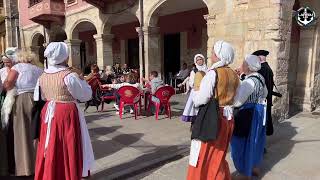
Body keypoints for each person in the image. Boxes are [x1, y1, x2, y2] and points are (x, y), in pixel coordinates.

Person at [34, 42, 94, 180]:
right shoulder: (69, 76)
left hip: (49, 112)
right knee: (67, 145)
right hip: (66, 112)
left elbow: (41, 96)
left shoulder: (42, 76)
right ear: (64, 56)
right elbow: (86, 95)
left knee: (51, 144)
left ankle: (51, 174)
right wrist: (82, 79)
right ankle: (68, 175)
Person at [187, 41, 240, 180]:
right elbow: (238, 99)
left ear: (219, 55)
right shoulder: (234, 74)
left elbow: (200, 100)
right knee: (219, 153)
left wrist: (196, 92)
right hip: (228, 118)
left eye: (213, 53)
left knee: (204, 153)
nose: (211, 55)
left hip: (212, 118)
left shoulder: (213, 73)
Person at [4, 50, 43, 176]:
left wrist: (7, 83)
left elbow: (8, 84)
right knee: (36, 133)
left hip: (22, 99)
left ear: (20, 58)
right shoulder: (38, 69)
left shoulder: (17, 67)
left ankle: (25, 168)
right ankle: (38, 164)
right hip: (37, 100)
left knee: (22, 133)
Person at [231, 55, 268, 180]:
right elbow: (265, 93)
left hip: (246, 113)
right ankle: (254, 167)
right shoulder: (260, 78)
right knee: (255, 141)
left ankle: (243, 172)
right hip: (258, 112)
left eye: (243, 64)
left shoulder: (249, 82)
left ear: (248, 66)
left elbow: (237, 102)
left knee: (239, 143)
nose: (242, 66)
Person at [252, 50, 279, 137]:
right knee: (266, 119)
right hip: (268, 98)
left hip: (263, 99)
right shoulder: (268, 68)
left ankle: (261, 143)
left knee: (262, 121)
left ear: (259, 58)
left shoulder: (262, 69)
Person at [181, 54, 207, 123]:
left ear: (203, 60)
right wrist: (197, 85)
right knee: (195, 108)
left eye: (200, 59)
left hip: (205, 91)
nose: (199, 61)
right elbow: (191, 82)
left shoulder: (207, 69)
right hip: (196, 91)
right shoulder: (194, 71)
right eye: (197, 60)